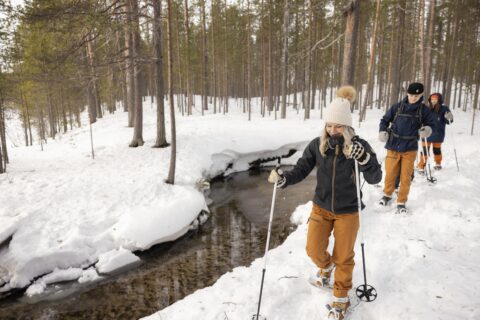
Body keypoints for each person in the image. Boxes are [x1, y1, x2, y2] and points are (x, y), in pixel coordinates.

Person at [268, 86, 382, 320]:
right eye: (329, 125)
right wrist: (284, 179)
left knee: (344, 257)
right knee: (313, 249)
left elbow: (375, 177)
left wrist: (365, 159)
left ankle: (340, 298)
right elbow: (301, 169)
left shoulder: (359, 146)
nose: (332, 130)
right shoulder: (317, 145)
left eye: (338, 126)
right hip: (321, 207)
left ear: (347, 126)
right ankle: (326, 267)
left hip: (348, 211)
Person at [378, 82, 436, 214]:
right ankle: (387, 195)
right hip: (393, 145)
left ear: (421, 95)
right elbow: (384, 120)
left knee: (406, 177)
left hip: (410, 147)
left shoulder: (423, 110)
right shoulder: (397, 107)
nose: (413, 98)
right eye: (411, 95)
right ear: (407, 93)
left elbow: (431, 123)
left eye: (416, 96)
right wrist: (382, 131)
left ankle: (401, 201)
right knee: (390, 173)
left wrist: (426, 130)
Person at [417, 93, 453, 172]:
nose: (433, 101)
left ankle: (438, 164)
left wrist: (449, 117)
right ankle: (421, 166)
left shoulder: (444, 109)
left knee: (437, 150)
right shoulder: (426, 108)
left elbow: (449, 121)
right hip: (426, 133)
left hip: (438, 133)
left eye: (435, 99)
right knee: (424, 151)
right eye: (432, 99)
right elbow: (420, 119)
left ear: (439, 100)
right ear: (430, 100)